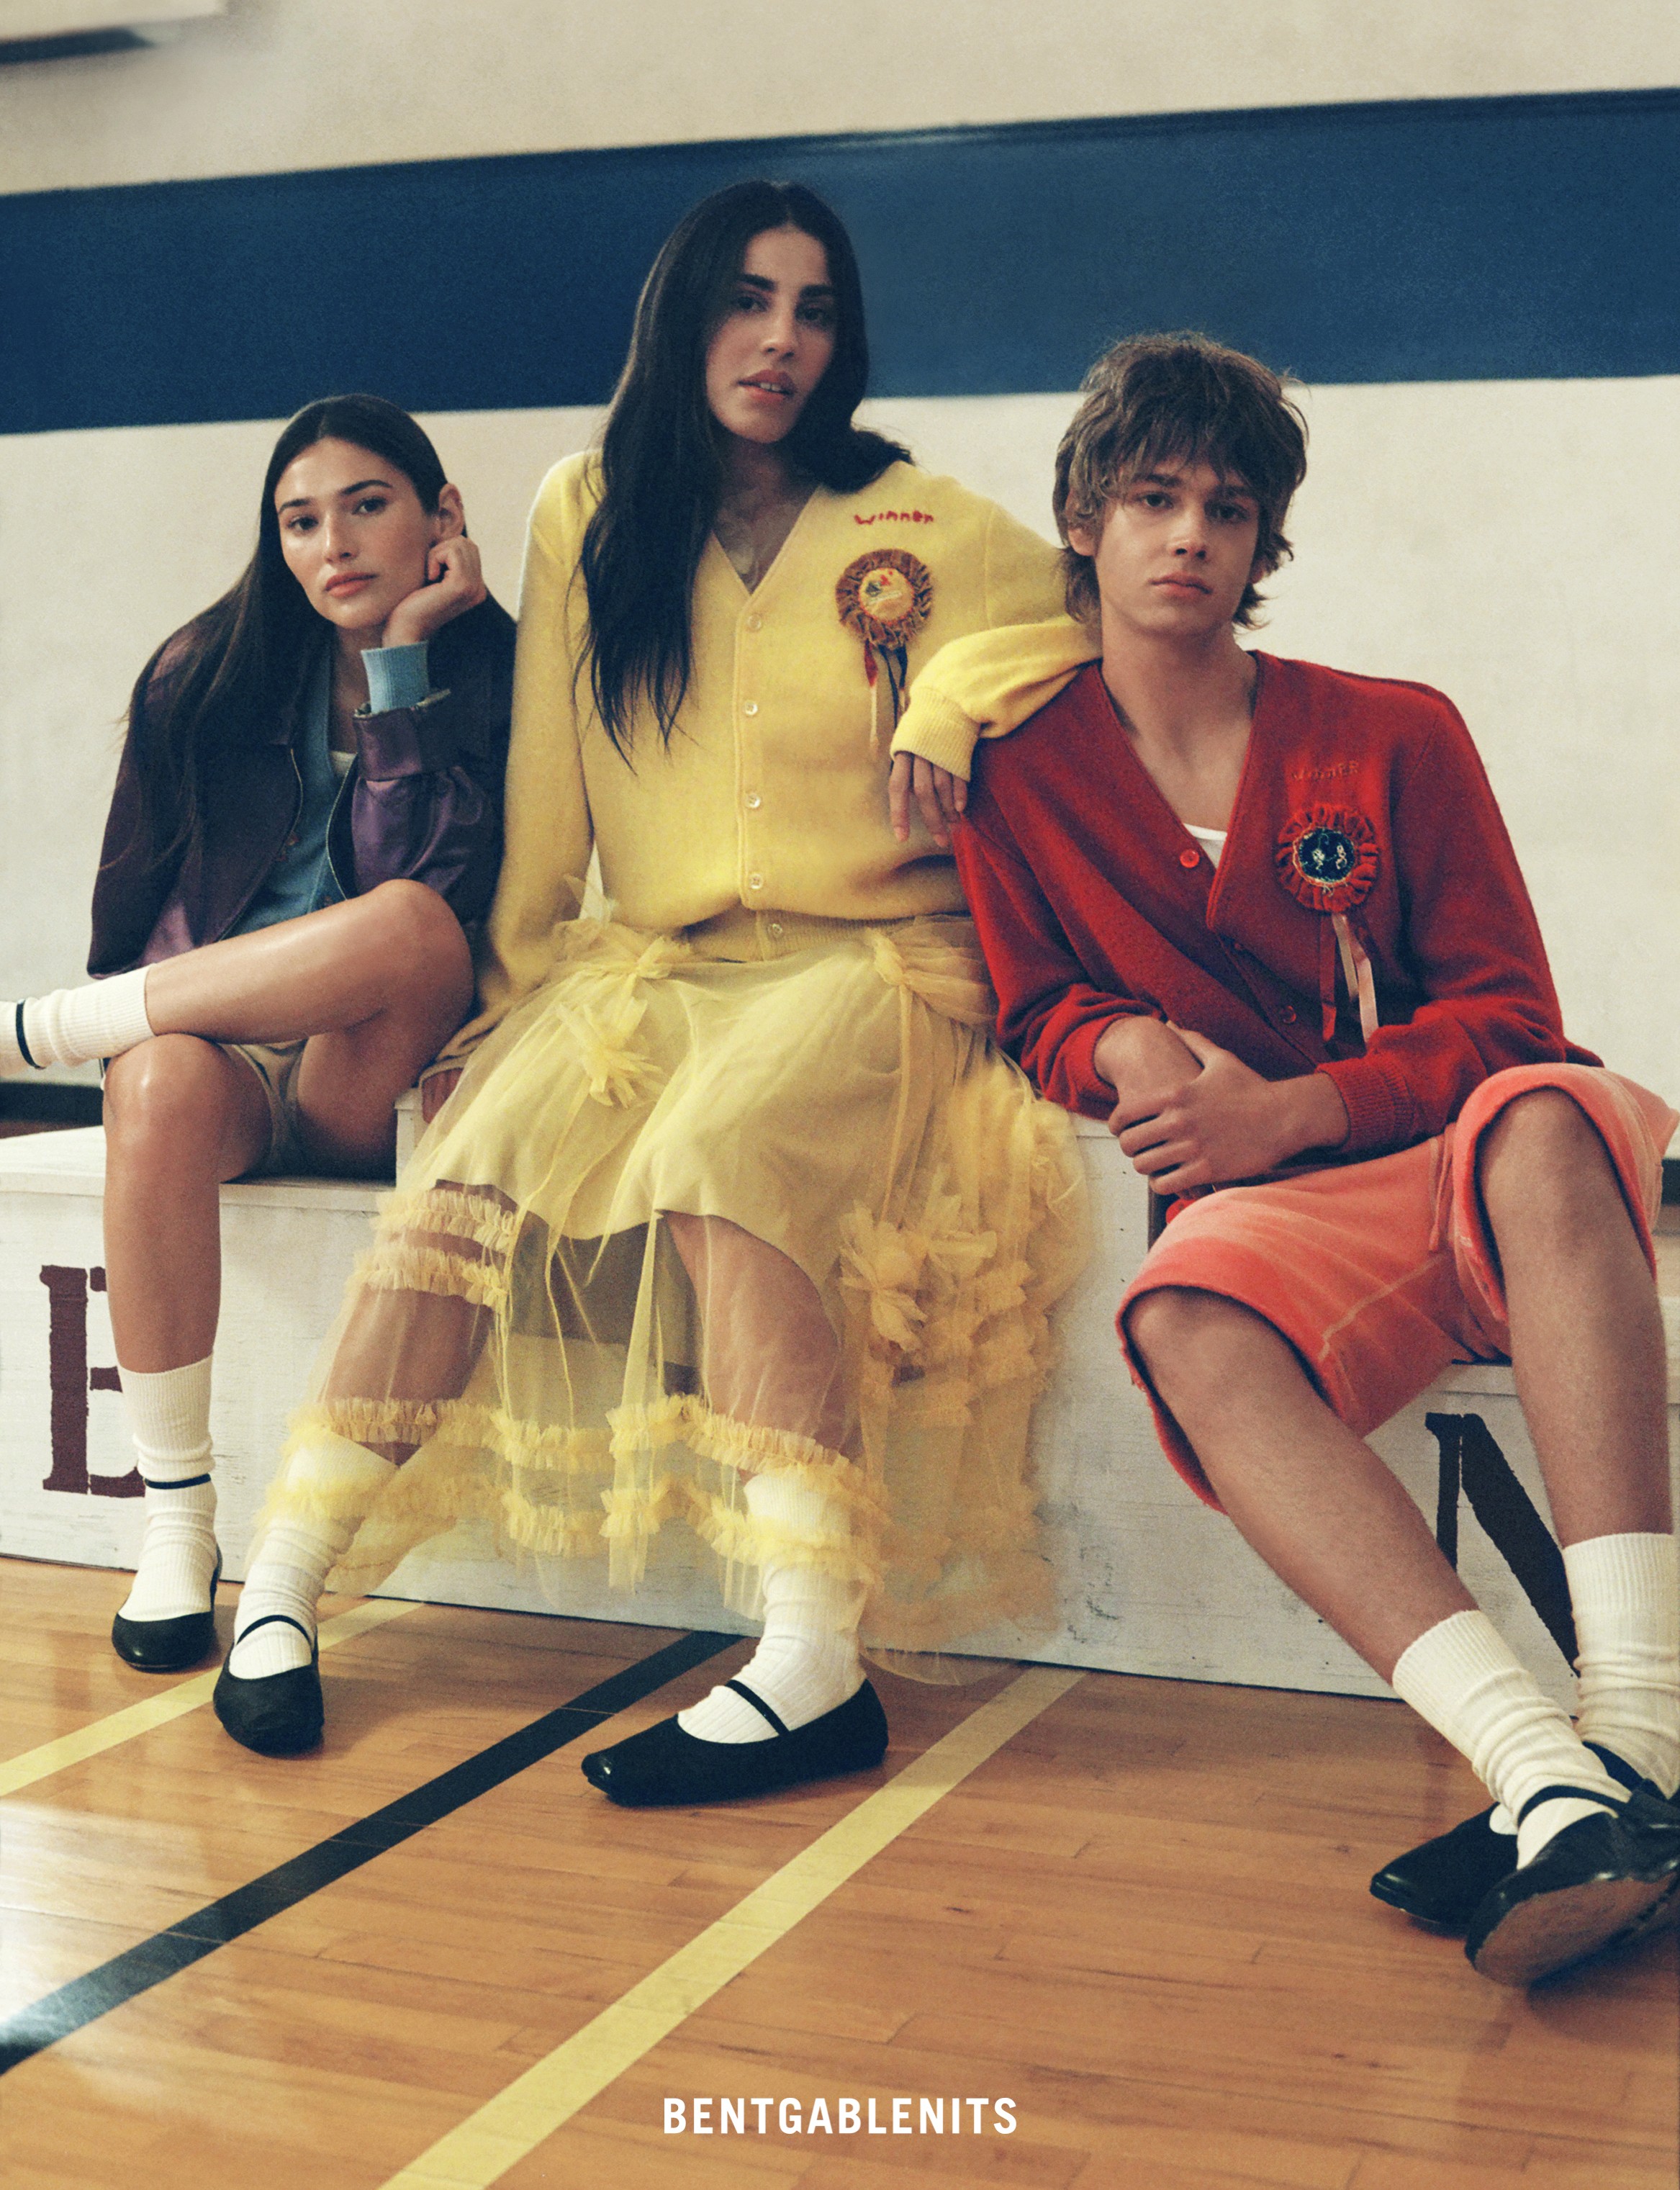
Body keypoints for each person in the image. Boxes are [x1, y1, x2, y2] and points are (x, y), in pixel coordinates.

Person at [212, 181, 1088, 1787]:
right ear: (682, 315)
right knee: (469, 1165)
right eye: (746, 300)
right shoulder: (587, 505)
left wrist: (955, 688)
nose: (779, 340)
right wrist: (505, 1007)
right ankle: (282, 1583)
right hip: (660, 963)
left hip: (874, 957)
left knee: (720, 1153)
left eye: (814, 310)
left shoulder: (925, 522)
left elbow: (1102, 614)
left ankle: (813, 1659)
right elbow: (550, 791)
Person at [887, 330, 1680, 1986]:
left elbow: (1512, 1019)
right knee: (1181, 1316)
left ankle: (1642, 1740)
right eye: (1154, 499)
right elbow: (1034, 1006)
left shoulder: (1396, 732)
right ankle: (1544, 1778)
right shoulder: (1013, 774)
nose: (1191, 536)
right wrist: (1115, 1041)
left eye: (1229, 509)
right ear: (1086, 521)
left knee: (1549, 1119)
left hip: (1457, 1145)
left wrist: (1295, 1110)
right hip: (1291, 1213)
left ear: (1265, 543)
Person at [1, 395, 515, 1677]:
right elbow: (135, 882)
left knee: (408, 920)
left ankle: (37, 1032)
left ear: (442, 515)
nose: (332, 544)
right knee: (154, 1083)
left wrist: (403, 662)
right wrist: (133, 1030)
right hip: (219, 1055)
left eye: (367, 505)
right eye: (299, 520)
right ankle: (177, 1527)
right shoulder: (207, 668)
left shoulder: (501, 669)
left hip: (368, 1065)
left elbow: (428, 885)